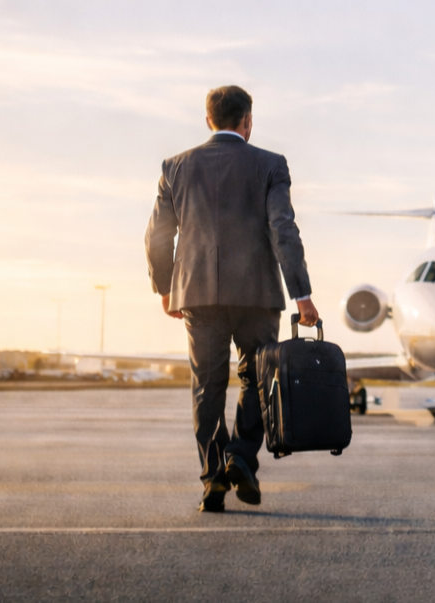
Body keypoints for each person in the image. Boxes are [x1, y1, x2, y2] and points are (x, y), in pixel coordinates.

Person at [145, 85, 319, 513]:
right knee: (259, 378)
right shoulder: (271, 165)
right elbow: (284, 229)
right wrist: (303, 294)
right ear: (248, 121)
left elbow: (157, 236)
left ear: (208, 120)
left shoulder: (175, 167)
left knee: (207, 386)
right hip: (257, 294)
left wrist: (166, 287)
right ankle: (240, 457)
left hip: (197, 294)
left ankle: (212, 479)